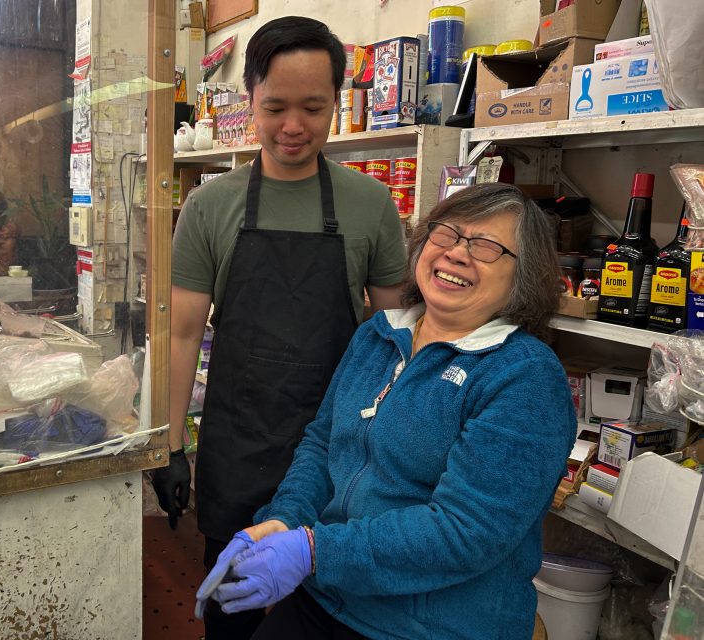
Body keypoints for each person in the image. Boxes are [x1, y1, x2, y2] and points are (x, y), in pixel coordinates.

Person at [195, 183, 577, 640]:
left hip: (430, 625)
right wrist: (285, 520)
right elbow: (322, 444)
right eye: (447, 233)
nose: (457, 253)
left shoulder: (524, 377)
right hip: (329, 595)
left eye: (486, 246)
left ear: (524, 277)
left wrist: (314, 552)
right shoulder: (377, 336)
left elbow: (465, 532)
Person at [151, 15, 407, 639]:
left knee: (324, 612)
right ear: (250, 101)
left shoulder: (370, 205)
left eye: (314, 108)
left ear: (337, 104)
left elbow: (400, 334)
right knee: (231, 606)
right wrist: (168, 445)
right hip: (239, 439)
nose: (294, 126)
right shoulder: (211, 207)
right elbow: (181, 333)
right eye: (276, 107)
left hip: (338, 448)